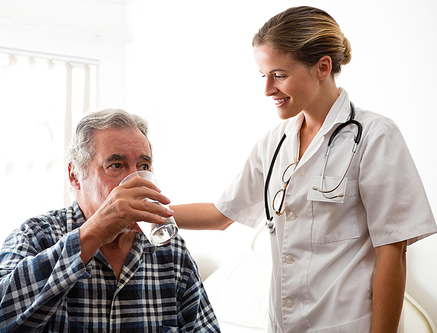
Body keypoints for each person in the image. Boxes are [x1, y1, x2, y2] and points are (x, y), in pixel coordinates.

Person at [171, 6, 437, 333]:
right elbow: (220, 214)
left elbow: (392, 251)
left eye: (279, 75)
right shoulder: (274, 143)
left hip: (344, 325)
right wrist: (140, 213)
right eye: (263, 75)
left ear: (322, 66)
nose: (267, 89)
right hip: (282, 325)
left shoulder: (375, 136)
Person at [0, 109, 220, 332]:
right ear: (75, 175)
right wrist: (92, 233)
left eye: (143, 166)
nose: (137, 181)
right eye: (116, 165)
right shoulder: (37, 235)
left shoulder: (170, 250)